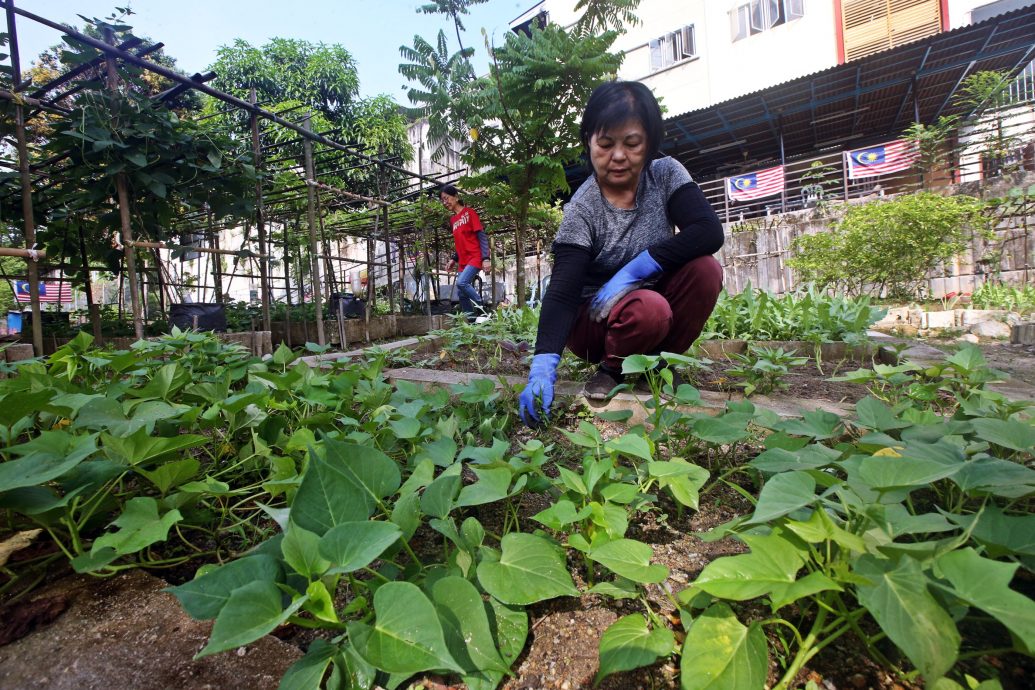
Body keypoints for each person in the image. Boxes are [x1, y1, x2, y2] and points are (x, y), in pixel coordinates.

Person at [518, 81, 725, 427]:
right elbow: (564, 291)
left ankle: (658, 365)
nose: (617, 156)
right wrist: (542, 366)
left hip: (650, 303)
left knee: (706, 272)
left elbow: (708, 231)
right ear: (589, 142)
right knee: (650, 309)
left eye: (631, 143)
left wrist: (639, 267)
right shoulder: (583, 208)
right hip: (595, 322)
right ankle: (611, 369)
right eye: (605, 143)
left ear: (648, 144)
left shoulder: (665, 175)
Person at [441, 184, 490, 320]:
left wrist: (485, 258)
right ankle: (473, 323)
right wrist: (453, 259)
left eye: (447, 198)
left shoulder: (469, 213)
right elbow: (460, 243)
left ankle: (482, 307)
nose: (445, 203)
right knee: (461, 294)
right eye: (442, 200)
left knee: (462, 283)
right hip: (463, 260)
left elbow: (481, 235)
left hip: (475, 256)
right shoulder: (453, 220)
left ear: (456, 197)